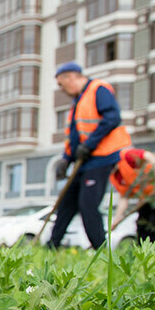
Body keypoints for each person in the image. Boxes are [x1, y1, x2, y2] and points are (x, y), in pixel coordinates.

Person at [47, 62, 131, 249]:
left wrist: (90, 144)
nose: (62, 89)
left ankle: (101, 250)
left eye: (61, 84)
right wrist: (65, 160)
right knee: (66, 204)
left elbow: (112, 118)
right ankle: (51, 247)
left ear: (71, 77)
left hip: (100, 158)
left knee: (88, 205)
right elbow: (75, 136)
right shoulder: (77, 101)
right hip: (83, 161)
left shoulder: (98, 89)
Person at [110, 148, 155, 246]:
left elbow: (147, 155)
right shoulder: (116, 177)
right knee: (142, 223)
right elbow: (124, 197)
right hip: (145, 198)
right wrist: (117, 219)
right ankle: (142, 250)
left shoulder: (126, 157)